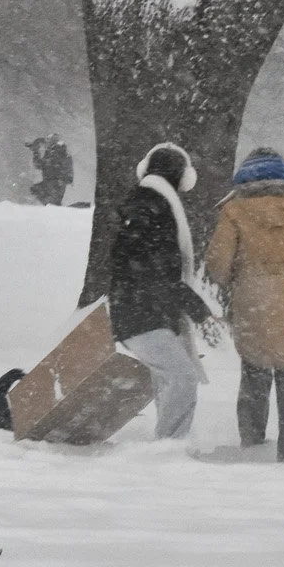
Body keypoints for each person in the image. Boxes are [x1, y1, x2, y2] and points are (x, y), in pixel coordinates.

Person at [205, 148, 284, 464]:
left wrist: (236, 275)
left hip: (253, 302)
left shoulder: (234, 210)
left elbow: (218, 263)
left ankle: (253, 445)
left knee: (254, 378)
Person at [107, 142, 216, 440]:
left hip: (140, 310)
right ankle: (169, 448)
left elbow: (152, 268)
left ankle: (165, 446)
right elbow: (155, 271)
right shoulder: (151, 207)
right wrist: (197, 310)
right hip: (141, 312)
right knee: (182, 378)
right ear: (182, 177)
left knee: (168, 379)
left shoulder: (149, 205)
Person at [28, 134, 73, 206]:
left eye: (48, 142)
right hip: (49, 183)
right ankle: (53, 209)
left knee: (50, 201)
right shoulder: (50, 153)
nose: (46, 145)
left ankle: (54, 210)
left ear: (53, 143)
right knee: (35, 190)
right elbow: (39, 165)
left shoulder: (61, 152)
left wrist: (62, 179)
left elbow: (42, 164)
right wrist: (35, 151)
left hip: (56, 184)